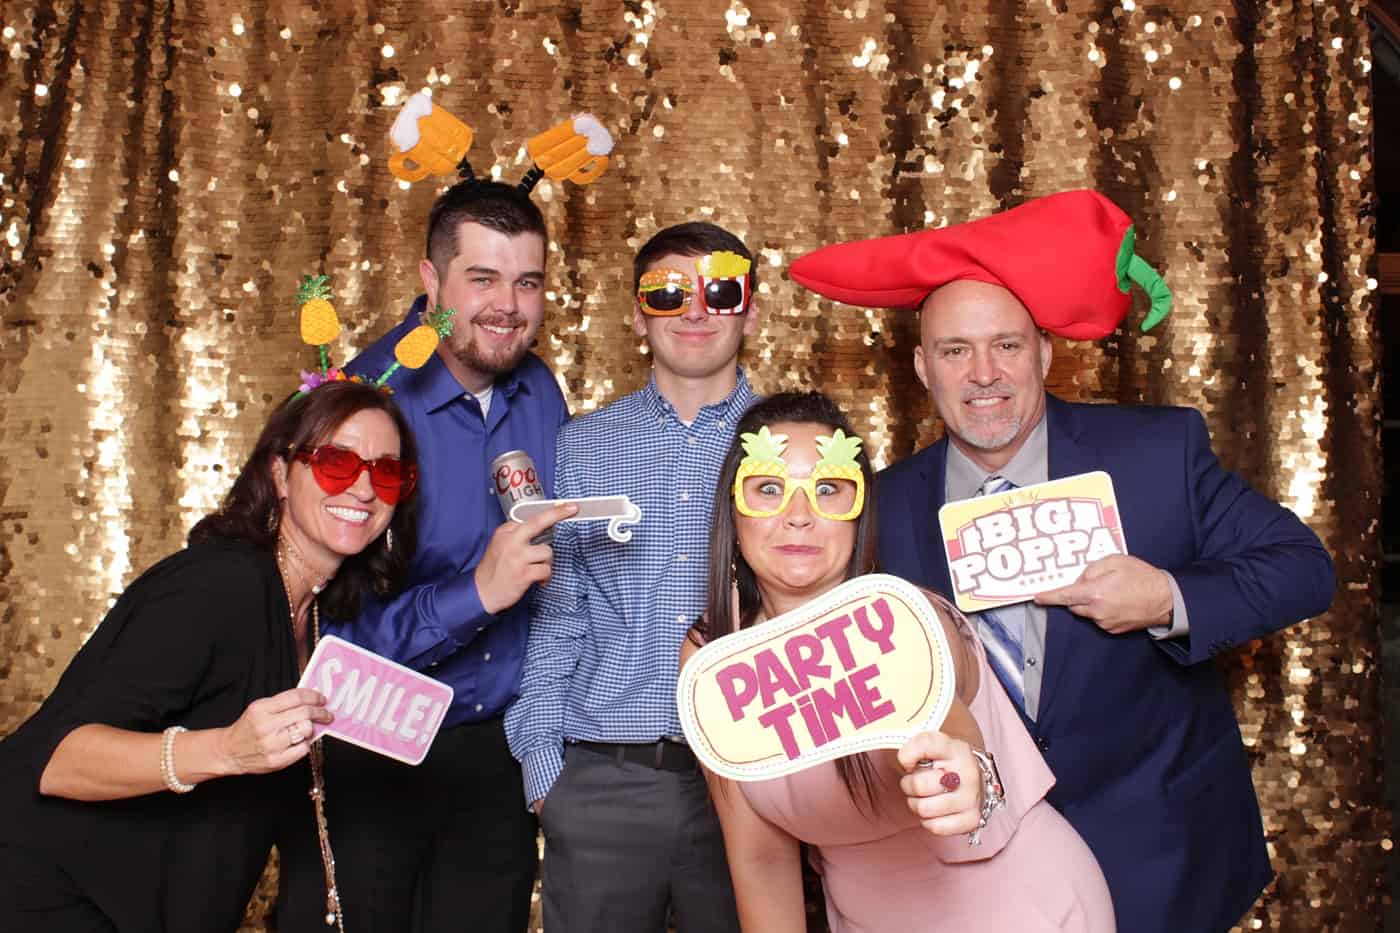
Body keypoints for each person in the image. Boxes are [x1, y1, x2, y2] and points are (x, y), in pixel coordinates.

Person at [788, 189, 1337, 931]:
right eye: (956, 350)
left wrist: (1169, 597)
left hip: (1160, 856)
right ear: (923, 366)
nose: (984, 373)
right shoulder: (879, 508)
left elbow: (1303, 567)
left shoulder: (1156, 453)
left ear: (1044, 351)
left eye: (1007, 345)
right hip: (986, 879)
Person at [682, 391, 1114, 932]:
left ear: (860, 511)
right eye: (769, 489)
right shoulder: (711, 657)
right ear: (733, 512)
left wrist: (962, 768)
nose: (798, 516)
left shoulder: (906, 618)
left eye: (828, 490)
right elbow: (761, 858)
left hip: (1019, 906)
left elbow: (943, 712)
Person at [0, 379, 420, 933]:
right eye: (337, 463)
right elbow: (55, 761)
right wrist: (226, 749)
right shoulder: (221, 585)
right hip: (46, 894)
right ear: (279, 475)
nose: (364, 489)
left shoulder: (317, 619)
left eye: (388, 472)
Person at [277, 180, 574, 933]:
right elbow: (320, 632)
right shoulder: (362, 403)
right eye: (482, 278)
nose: (507, 304)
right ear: (430, 280)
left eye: (527, 282)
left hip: (495, 759)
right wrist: (477, 591)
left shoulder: (539, 389)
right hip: (367, 748)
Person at [505, 222, 758, 931]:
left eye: (722, 290)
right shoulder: (583, 444)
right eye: (669, 292)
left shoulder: (785, 441)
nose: (696, 309)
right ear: (639, 315)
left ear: (752, 311)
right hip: (602, 782)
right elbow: (561, 614)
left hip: (748, 782)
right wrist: (545, 771)